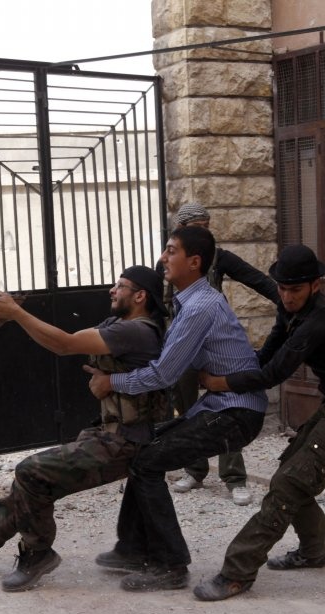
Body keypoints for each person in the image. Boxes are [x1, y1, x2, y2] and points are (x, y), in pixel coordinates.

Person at [0, 266, 168, 592]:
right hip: (110, 435)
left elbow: (65, 344)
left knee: (31, 472)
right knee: (31, 485)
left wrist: (16, 313)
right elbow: (58, 342)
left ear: (140, 296)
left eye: (121, 286)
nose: (112, 290)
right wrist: (16, 314)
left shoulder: (135, 331)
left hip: (125, 442)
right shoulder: (118, 325)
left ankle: (37, 554)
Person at [191, 244, 325, 601]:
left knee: (289, 484)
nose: (286, 297)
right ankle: (314, 551)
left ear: (316, 285)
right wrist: (231, 372)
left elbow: (273, 373)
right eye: (282, 288)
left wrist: (219, 382)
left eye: (294, 289)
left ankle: (236, 573)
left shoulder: (320, 322)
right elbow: (266, 355)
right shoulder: (292, 311)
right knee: (289, 473)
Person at [87, 226, 267, 592]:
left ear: (194, 261)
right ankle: (132, 548)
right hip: (220, 405)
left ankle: (171, 565)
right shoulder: (191, 302)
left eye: (171, 251)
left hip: (236, 412)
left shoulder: (199, 307)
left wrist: (112, 382)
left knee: (147, 463)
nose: (163, 258)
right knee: (144, 451)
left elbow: (164, 373)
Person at [169, 202, 280, 507]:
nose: (205, 233)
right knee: (187, 406)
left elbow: (257, 279)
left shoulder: (219, 257)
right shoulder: (170, 260)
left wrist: (285, 299)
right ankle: (194, 470)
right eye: (198, 228)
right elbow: (155, 301)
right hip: (184, 343)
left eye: (207, 227)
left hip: (216, 345)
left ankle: (234, 478)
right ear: (182, 229)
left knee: (229, 406)